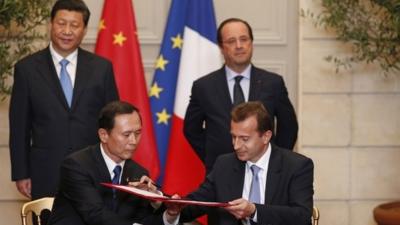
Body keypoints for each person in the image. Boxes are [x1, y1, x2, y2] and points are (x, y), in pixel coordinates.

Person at [9, 0, 119, 200]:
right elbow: (19, 128)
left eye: (74, 25)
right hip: (45, 172)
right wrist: (21, 172)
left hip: (93, 172)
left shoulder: (102, 68)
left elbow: (113, 123)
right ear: (51, 24)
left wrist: (116, 166)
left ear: (84, 30)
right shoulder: (27, 69)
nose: (67, 31)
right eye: (61, 23)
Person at [167, 101, 313, 225]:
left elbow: (301, 215)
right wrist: (173, 208)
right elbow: (197, 203)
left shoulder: (296, 166)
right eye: (233, 137)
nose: (236, 146)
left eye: (244, 139)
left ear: (266, 136)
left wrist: (254, 211)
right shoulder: (224, 165)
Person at [184, 18, 298, 173]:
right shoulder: (203, 86)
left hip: (265, 171)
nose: (239, 46)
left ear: (251, 43)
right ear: (221, 47)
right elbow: (191, 129)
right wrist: (213, 155)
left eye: (244, 39)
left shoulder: (273, 83)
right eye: (231, 41)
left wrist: (274, 158)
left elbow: (289, 126)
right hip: (220, 173)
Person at [48, 101, 178, 225]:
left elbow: (141, 220)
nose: (134, 141)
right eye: (126, 134)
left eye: (138, 133)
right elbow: (95, 214)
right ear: (104, 135)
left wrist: (169, 215)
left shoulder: (139, 173)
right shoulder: (76, 165)